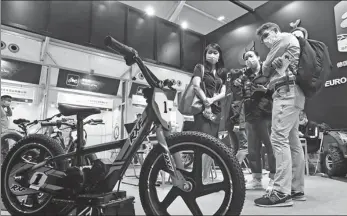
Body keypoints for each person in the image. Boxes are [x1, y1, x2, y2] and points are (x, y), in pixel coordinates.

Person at [253, 22, 306, 207]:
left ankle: (281, 192)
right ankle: (296, 189)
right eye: (263, 38)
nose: (266, 40)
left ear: (275, 31)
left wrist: (267, 68)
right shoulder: (287, 42)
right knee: (293, 142)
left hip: (286, 92)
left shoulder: (283, 38)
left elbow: (264, 69)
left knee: (278, 139)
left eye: (267, 34)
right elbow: (268, 71)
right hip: (294, 92)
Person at [234, 50, 276, 191]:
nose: (248, 59)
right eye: (246, 58)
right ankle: (256, 179)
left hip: (265, 113)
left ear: (258, 57)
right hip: (250, 115)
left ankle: (273, 179)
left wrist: (266, 90)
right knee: (252, 149)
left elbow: (276, 89)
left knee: (270, 147)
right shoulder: (244, 76)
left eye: (251, 56)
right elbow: (240, 95)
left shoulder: (268, 70)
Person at [192, 43, 227, 183]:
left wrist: (212, 100)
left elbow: (223, 93)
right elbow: (196, 86)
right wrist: (206, 101)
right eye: (209, 52)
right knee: (203, 143)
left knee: (212, 144)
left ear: (219, 56)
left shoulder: (222, 73)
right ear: (205, 54)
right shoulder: (199, 68)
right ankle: (200, 177)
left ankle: (205, 176)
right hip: (202, 110)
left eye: (215, 53)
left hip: (216, 111)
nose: (212, 55)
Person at [1, 95, 13, 162]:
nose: (9, 102)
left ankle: (3, 164)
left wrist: (8, 106)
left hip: (4, 131)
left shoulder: (2, 109)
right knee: (4, 149)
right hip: (1, 132)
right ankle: (3, 165)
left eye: (10, 101)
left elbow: (10, 114)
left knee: (5, 149)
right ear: (2, 99)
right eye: (8, 100)